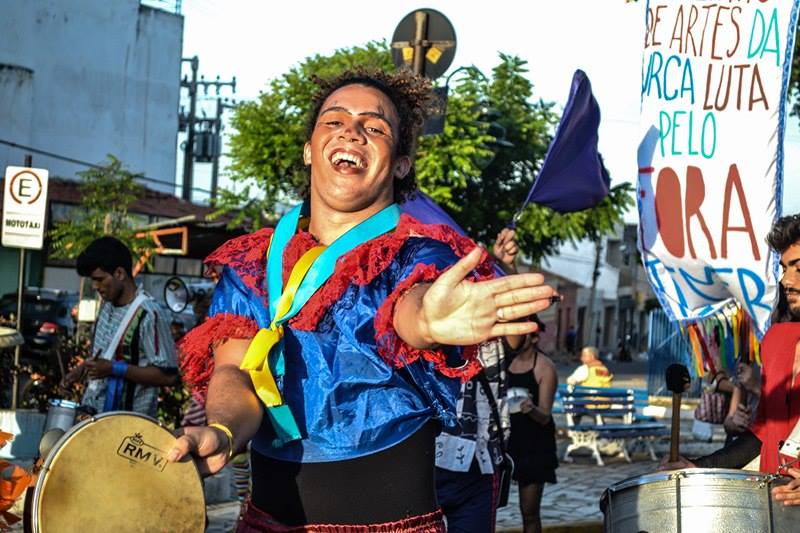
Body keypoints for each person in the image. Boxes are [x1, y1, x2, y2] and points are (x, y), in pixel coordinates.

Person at [169, 68, 558, 531]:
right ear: (309, 149)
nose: (352, 132)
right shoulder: (252, 263)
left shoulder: (415, 255)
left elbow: (408, 308)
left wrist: (427, 321)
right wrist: (222, 429)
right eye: (334, 121)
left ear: (401, 165)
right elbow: (236, 370)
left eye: (374, 128)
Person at [660, 214, 800, 506]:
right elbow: (762, 434)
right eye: (784, 268)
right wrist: (699, 466)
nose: (786, 280)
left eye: (798, 268)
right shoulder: (776, 341)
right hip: (774, 509)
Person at [434, 228, 524, 533]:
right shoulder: (421, 323)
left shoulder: (492, 325)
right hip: (426, 462)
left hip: (480, 463)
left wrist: (506, 268)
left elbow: (517, 334)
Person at [63, 237, 178, 418]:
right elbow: (105, 358)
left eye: (100, 279)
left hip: (129, 426)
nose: (95, 286)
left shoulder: (149, 314)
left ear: (119, 273)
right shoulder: (106, 307)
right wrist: (82, 370)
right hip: (95, 419)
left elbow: (168, 375)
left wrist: (114, 369)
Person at [507, 330, 559, 533]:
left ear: (535, 338)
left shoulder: (545, 367)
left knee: (529, 511)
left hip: (534, 445)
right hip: (506, 442)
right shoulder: (505, 363)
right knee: (488, 508)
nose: (516, 338)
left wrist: (531, 409)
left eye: (523, 334)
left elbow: (545, 416)